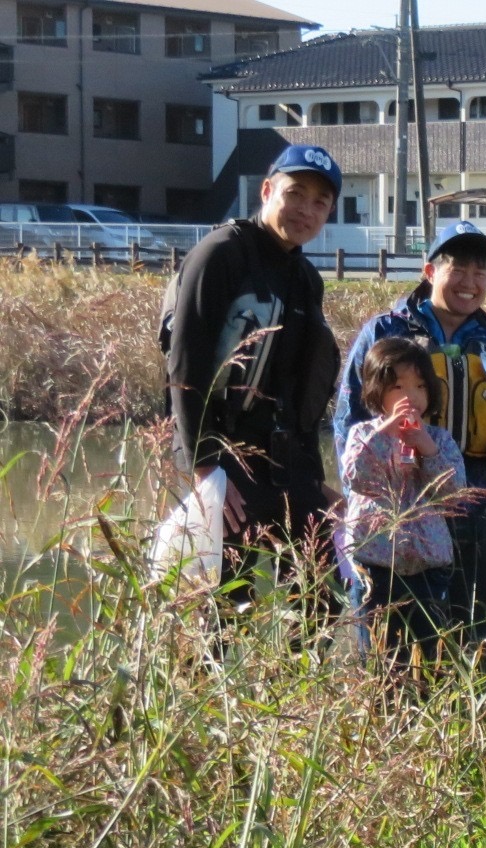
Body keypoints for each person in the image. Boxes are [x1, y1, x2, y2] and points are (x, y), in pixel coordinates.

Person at [334, 220, 486, 652]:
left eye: (481, 273)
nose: (469, 283)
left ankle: (460, 716)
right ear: (429, 272)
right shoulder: (385, 332)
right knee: (385, 638)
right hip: (391, 510)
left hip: (472, 501)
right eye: (458, 269)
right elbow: (348, 420)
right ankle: (386, 714)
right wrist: (359, 499)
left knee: (467, 634)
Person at [163, 144, 343, 602]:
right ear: (267, 190)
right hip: (223, 457)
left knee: (318, 597)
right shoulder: (221, 254)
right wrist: (205, 469)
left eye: (320, 202)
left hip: (285, 462)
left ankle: (296, 673)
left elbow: (300, 392)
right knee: (222, 607)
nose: (306, 209)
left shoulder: (306, 279)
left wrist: (313, 480)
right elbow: (186, 365)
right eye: (295, 193)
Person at [340, 337, 466, 668]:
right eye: (398, 386)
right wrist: (385, 432)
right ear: (376, 391)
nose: (410, 397)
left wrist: (428, 450)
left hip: (428, 567)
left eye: (420, 386)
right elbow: (356, 476)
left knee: (429, 654)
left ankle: (427, 710)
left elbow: (454, 493)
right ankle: (381, 709)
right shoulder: (364, 434)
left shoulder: (440, 439)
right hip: (376, 566)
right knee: (381, 656)